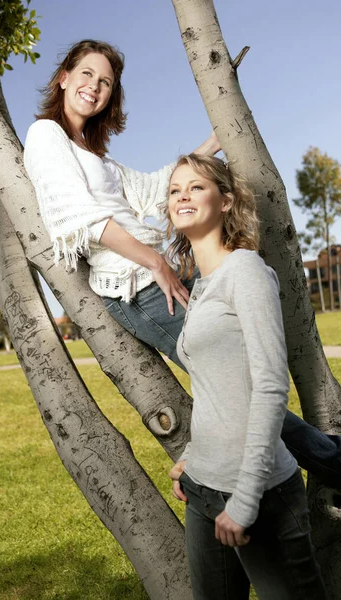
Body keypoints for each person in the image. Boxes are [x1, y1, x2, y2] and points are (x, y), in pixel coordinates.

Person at [23, 39, 341, 489]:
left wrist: (216, 140)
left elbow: (158, 187)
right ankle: (331, 463)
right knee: (237, 385)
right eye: (86, 75)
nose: (95, 87)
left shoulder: (94, 155)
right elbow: (84, 220)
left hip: (167, 268)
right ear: (63, 78)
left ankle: (318, 459)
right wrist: (156, 263)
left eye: (106, 82)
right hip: (137, 286)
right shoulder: (46, 135)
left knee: (249, 366)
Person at [167, 153, 326, 600]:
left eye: (196, 187)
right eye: (175, 190)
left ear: (225, 202)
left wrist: (245, 499)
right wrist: (193, 456)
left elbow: (271, 385)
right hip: (201, 488)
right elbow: (217, 389)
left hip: (260, 494)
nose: (183, 195)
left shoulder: (247, 271)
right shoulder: (200, 285)